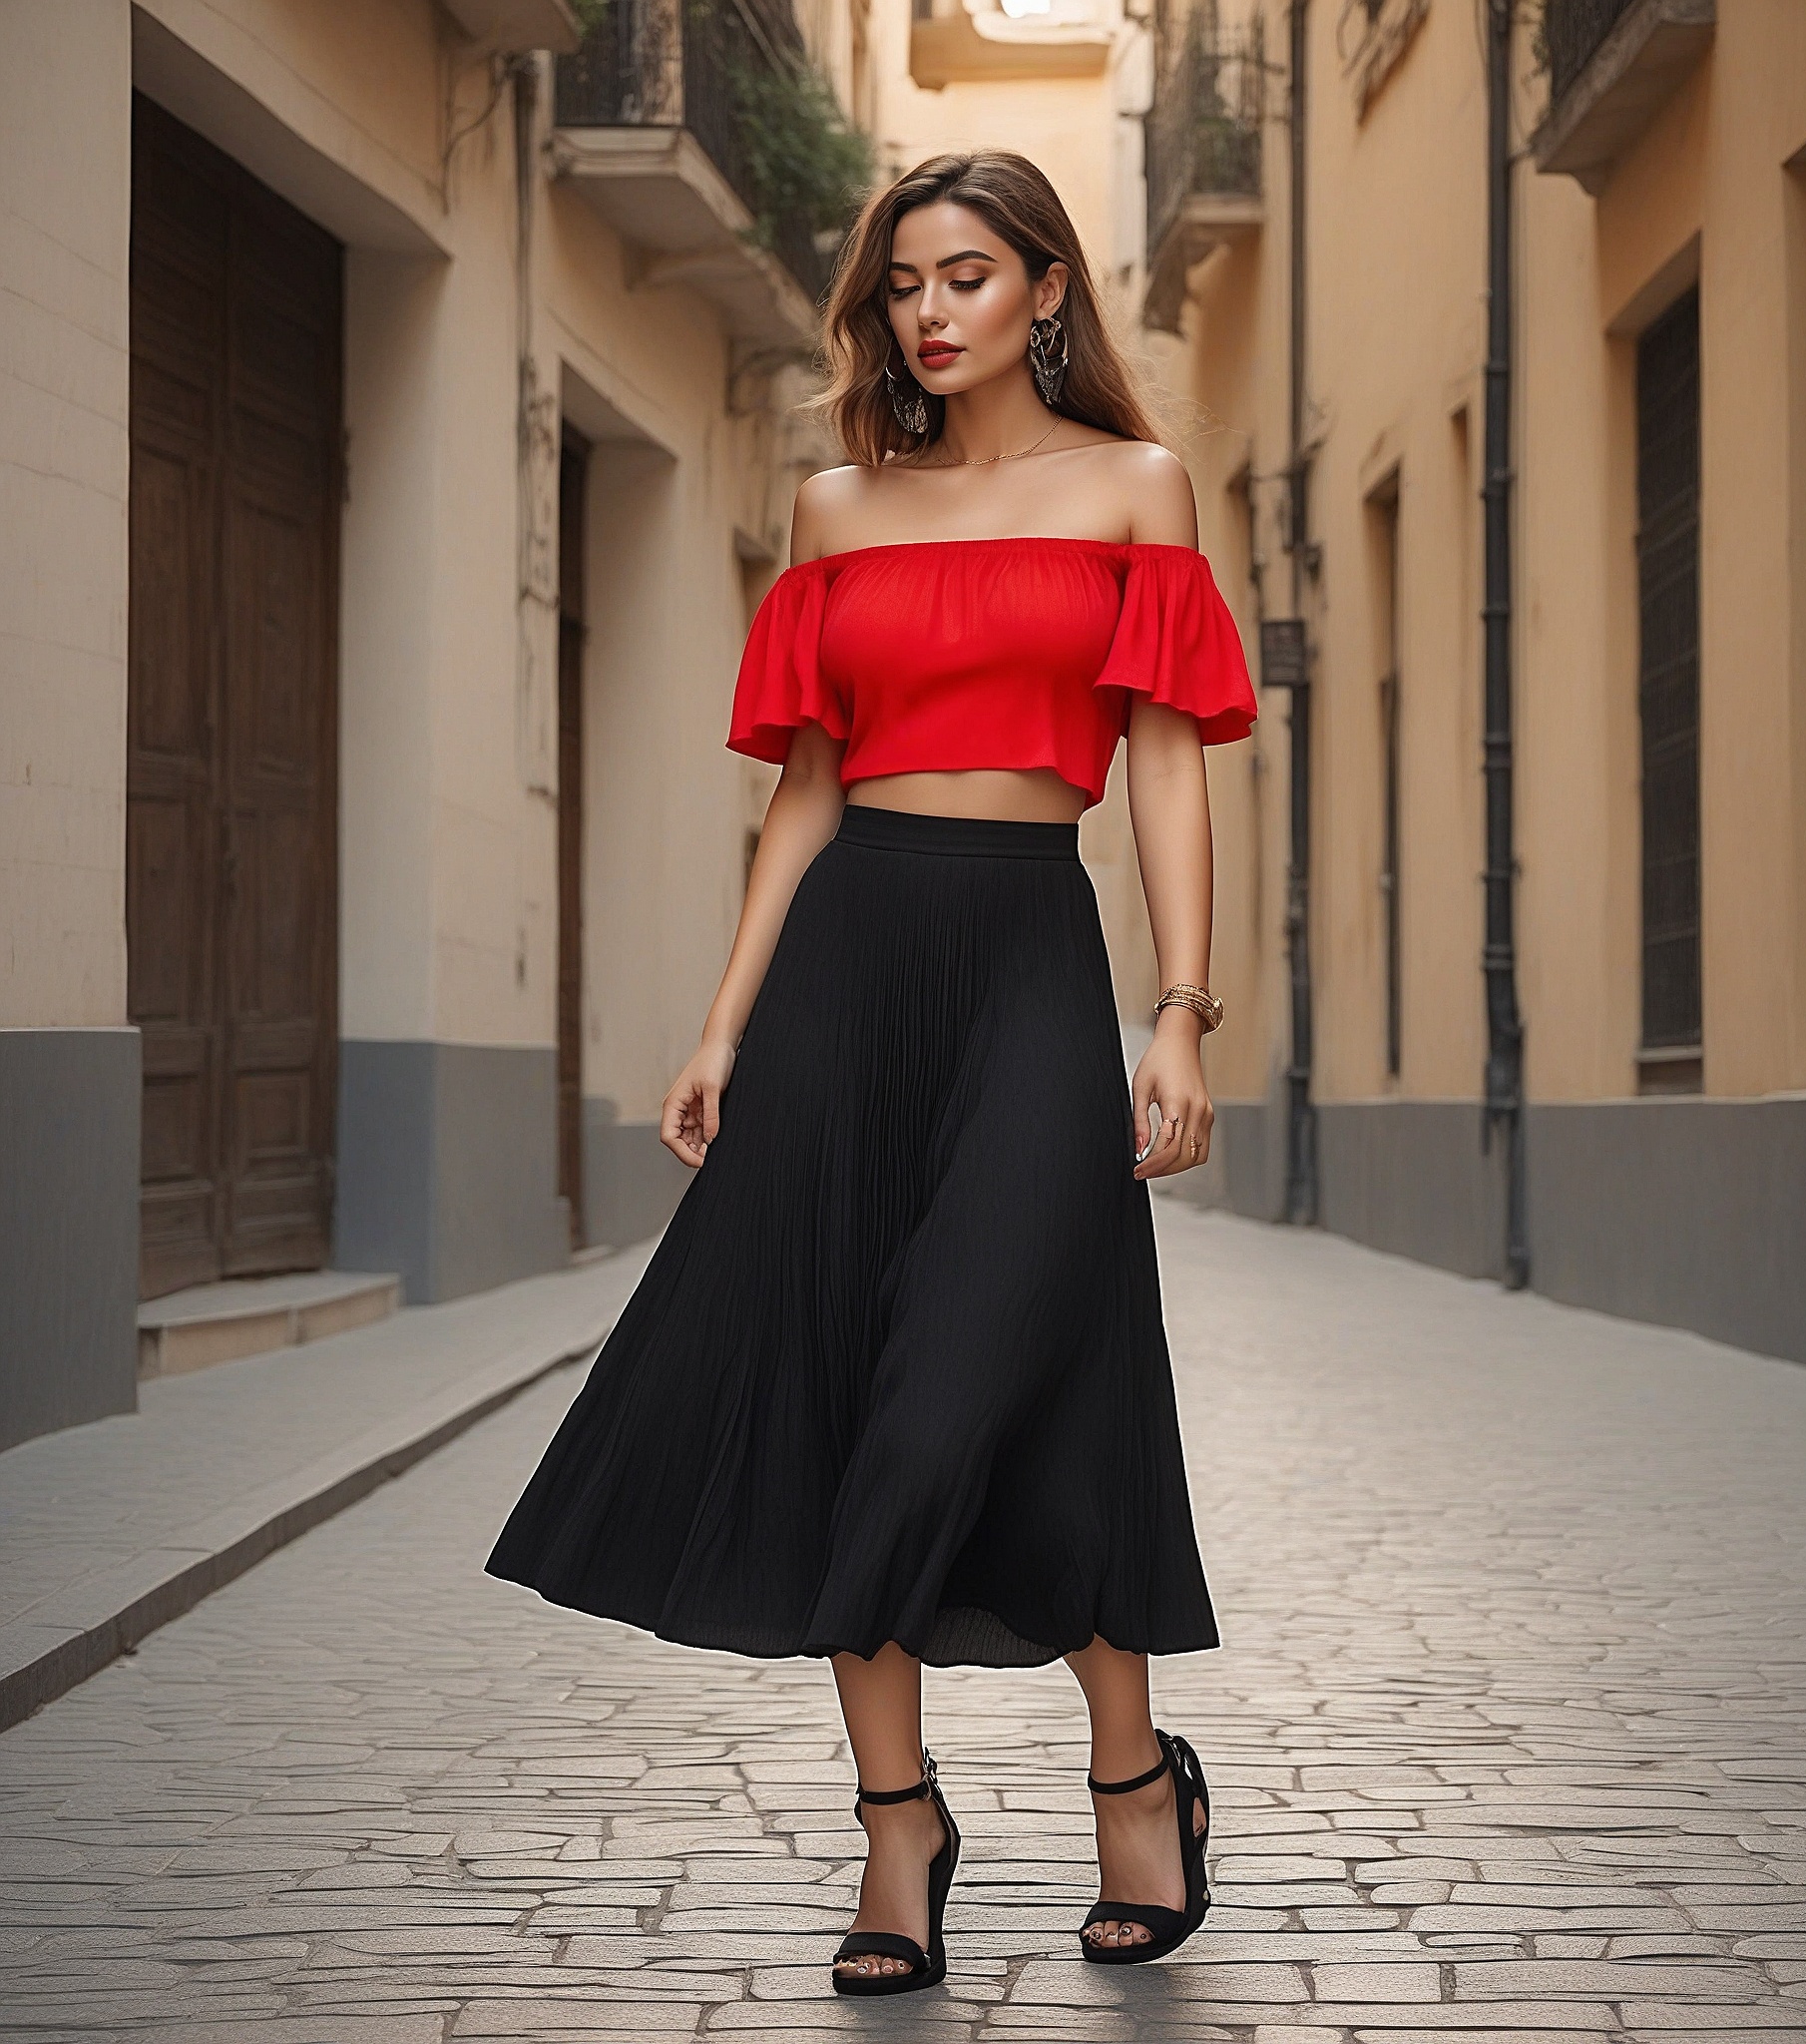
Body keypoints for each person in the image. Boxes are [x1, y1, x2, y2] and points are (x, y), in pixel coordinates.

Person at [485, 149, 1256, 1996]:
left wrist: (1178, 1007)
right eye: (906, 279)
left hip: (1025, 961)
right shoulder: (834, 512)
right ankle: (895, 1831)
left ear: (1047, 293)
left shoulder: (1134, 487)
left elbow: (1163, 762)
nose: (931, 308)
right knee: (842, 1378)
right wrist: (724, 1018)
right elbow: (808, 790)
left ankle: (1133, 1778)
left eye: (971, 274)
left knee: (1019, 1374)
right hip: (847, 969)